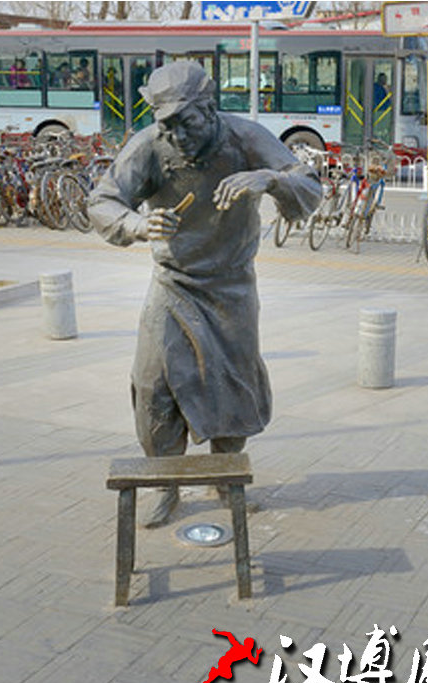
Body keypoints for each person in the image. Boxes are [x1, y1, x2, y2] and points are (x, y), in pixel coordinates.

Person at [89, 61, 321, 527]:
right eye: (166, 125)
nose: (177, 136)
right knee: (152, 384)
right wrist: (137, 224)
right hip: (173, 281)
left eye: (186, 122)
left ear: (209, 109)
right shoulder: (149, 146)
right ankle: (166, 484)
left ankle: (225, 478)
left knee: (233, 385)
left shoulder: (245, 137)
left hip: (232, 285)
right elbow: (103, 201)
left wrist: (270, 179)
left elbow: (309, 185)